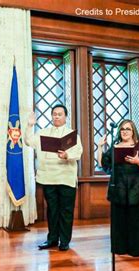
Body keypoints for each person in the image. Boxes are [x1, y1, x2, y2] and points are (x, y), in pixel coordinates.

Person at [25, 104, 83, 251]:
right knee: (52, 210)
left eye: (60, 114)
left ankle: (64, 241)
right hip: (48, 177)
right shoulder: (43, 133)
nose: (56, 116)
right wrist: (30, 125)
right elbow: (28, 141)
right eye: (54, 114)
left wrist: (67, 155)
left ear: (65, 117)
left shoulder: (72, 135)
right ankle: (52, 239)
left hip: (66, 178)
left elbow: (78, 153)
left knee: (66, 211)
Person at [97, 119, 139, 257]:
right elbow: (103, 165)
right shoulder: (115, 147)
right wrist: (99, 147)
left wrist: (137, 161)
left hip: (137, 188)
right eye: (122, 129)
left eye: (128, 129)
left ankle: (137, 249)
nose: (125, 132)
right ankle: (120, 248)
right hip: (119, 188)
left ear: (133, 131)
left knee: (137, 220)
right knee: (119, 221)